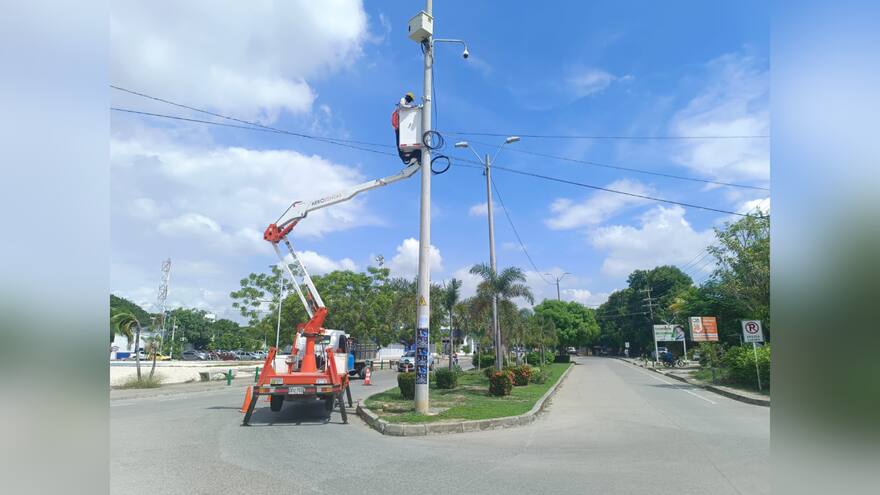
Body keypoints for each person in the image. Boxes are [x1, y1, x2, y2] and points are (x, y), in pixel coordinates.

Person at [391, 92, 421, 165]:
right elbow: (402, 106)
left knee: (399, 141)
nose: (409, 101)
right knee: (399, 141)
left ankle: (410, 157)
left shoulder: (406, 105)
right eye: (410, 100)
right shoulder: (402, 100)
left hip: (399, 126)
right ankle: (404, 156)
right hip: (398, 125)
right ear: (408, 97)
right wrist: (412, 106)